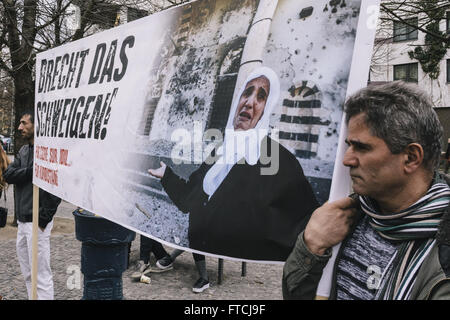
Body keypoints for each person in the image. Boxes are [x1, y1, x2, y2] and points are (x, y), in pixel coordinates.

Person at [282, 81, 450, 300]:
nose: (347, 159)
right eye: (348, 145)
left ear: (410, 157)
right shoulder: (346, 218)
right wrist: (311, 248)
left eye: (361, 147)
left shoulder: (442, 252)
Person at [148, 66, 319, 261]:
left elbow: (302, 221)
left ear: (266, 109)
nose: (249, 102)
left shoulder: (279, 160)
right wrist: (166, 175)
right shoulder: (220, 149)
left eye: (261, 97)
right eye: (247, 92)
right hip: (201, 247)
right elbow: (190, 198)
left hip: (232, 256)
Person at [4, 111, 61, 300]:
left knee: (41, 276)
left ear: (36, 126)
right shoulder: (24, 150)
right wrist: (32, 172)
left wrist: (43, 219)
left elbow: (56, 188)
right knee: (28, 274)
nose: (20, 127)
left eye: (24, 123)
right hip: (22, 221)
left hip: (36, 221)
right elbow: (9, 175)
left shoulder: (46, 153)